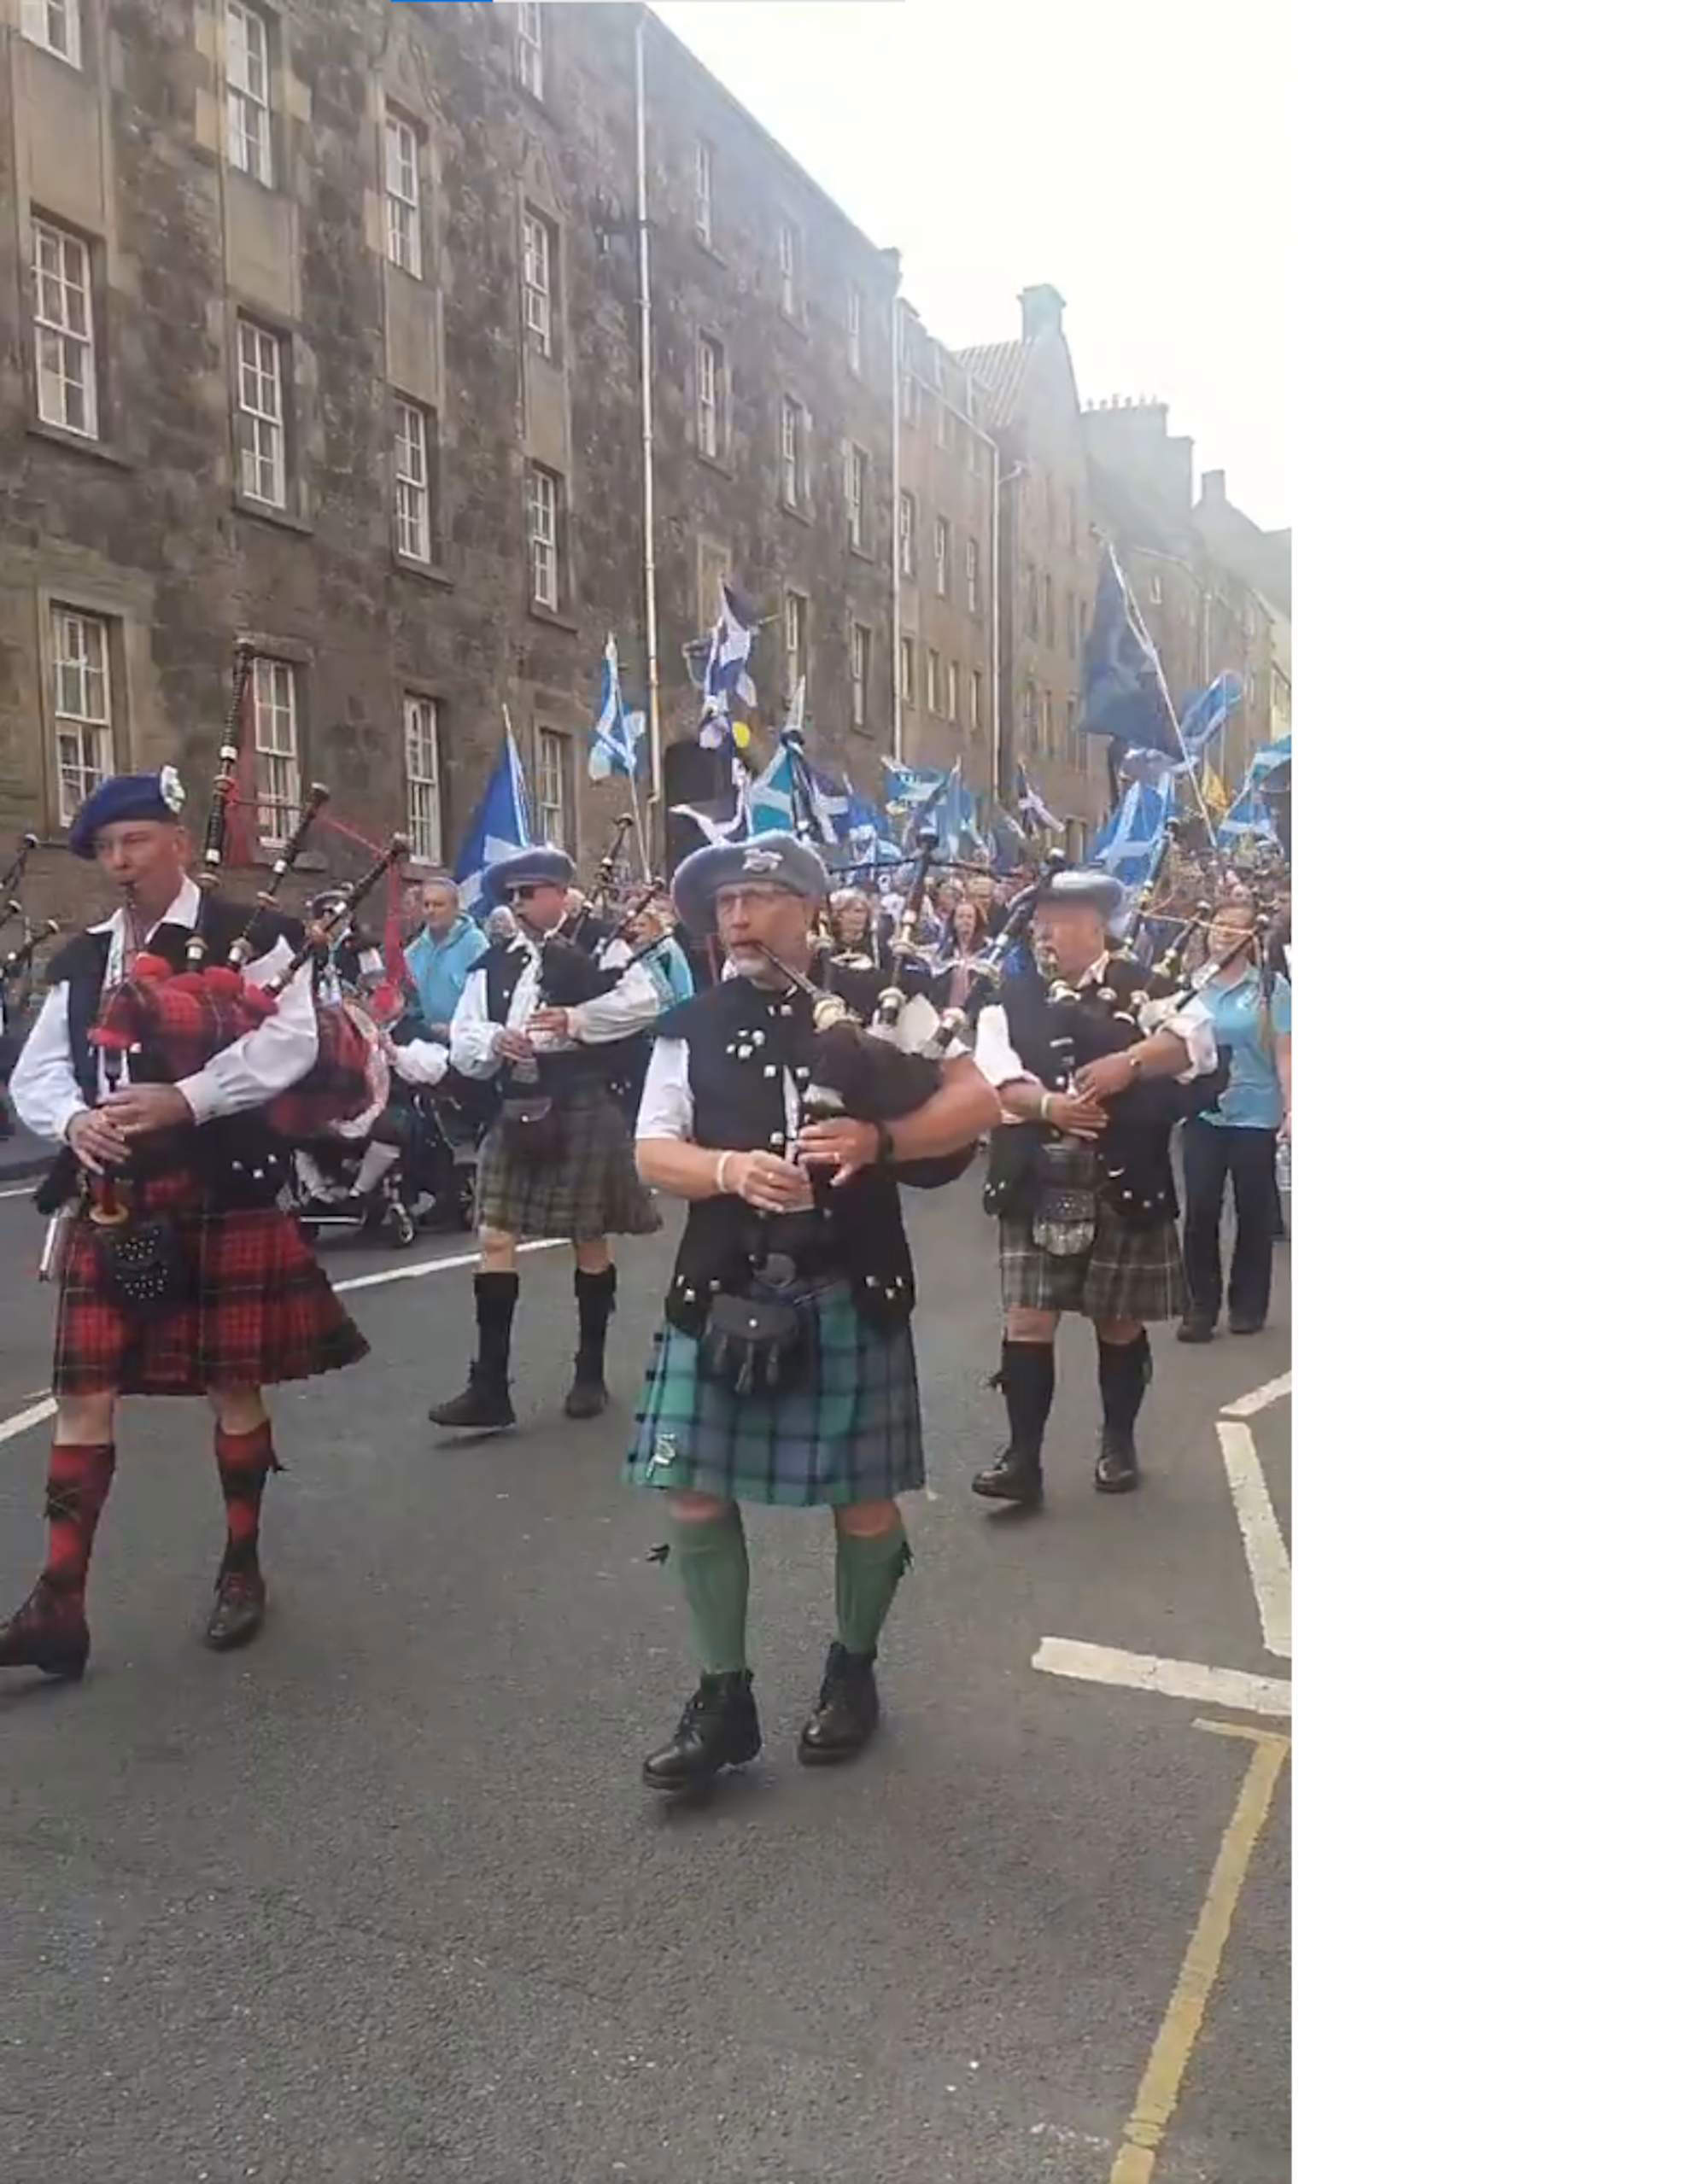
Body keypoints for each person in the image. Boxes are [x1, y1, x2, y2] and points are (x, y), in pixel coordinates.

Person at [626, 836, 997, 1792]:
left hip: (845, 1276)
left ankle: (851, 1669)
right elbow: (651, 1150)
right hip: (720, 1279)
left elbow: (976, 1102)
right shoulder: (690, 1021)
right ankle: (722, 1698)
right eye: (724, 905)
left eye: (757, 897)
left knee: (861, 1496)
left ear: (809, 907)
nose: (737, 919)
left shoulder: (879, 1001)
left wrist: (881, 1136)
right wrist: (725, 1169)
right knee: (695, 1489)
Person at [0, 769, 368, 1679]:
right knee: (84, 1399)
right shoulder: (85, 957)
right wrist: (73, 1120)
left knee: (231, 1384)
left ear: (174, 837)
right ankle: (58, 1602)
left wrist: (188, 1099)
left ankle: (241, 1564)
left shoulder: (259, 934)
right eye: (104, 849)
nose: (120, 862)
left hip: (219, 1185)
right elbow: (40, 1070)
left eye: (134, 841)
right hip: (113, 1195)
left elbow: (288, 1044)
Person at [970, 867, 1220, 1504]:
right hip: (1034, 1171)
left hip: (1123, 1174)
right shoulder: (1010, 994)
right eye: (1039, 921)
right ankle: (1022, 1459)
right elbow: (994, 1071)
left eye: (1056, 920)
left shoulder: (1148, 986)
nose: (1043, 933)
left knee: (1117, 1322)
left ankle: (1118, 1441)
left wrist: (1127, 1062)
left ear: (1093, 924)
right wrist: (1050, 1109)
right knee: (1028, 1318)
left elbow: (1196, 1043)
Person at [427, 846, 666, 1430]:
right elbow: (465, 1034)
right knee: (494, 1236)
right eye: (512, 896)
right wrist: (493, 1043)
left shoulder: (604, 943)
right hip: (519, 1101)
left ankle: (588, 1372)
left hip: (581, 1095)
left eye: (529, 893)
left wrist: (576, 1021)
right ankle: (489, 1386)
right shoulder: (494, 963)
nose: (519, 905)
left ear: (561, 892)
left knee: (588, 1236)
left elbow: (644, 1004)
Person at [1179, 895, 1291, 1340]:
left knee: (1254, 1211)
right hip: (1202, 1112)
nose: (1221, 933)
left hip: (1255, 1114)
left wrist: (1292, 1107)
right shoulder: (1189, 984)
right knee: (1201, 1207)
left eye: (1232, 927)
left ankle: (1247, 1305)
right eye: (1217, 924)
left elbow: (1287, 1052)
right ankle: (1199, 1307)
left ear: (1250, 939)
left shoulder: (1270, 988)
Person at [405, 875, 487, 1043]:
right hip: (429, 1046)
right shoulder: (412, 953)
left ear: (456, 908)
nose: (431, 910)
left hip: (471, 1044)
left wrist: (456, 1029)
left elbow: (488, 1001)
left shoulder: (476, 945)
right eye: (426, 905)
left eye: (438, 905)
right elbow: (412, 1005)